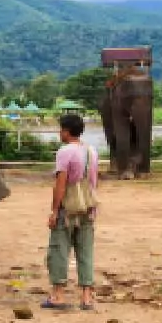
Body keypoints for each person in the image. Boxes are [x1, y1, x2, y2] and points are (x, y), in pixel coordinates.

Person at [43, 113, 99, 311]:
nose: (59, 133)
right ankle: (87, 297)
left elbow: (60, 185)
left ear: (66, 131)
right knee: (85, 251)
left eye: (61, 129)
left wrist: (54, 211)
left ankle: (58, 295)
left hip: (68, 208)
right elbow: (93, 182)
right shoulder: (92, 151)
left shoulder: (64, 152)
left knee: (59, 249)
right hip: (88, 206)